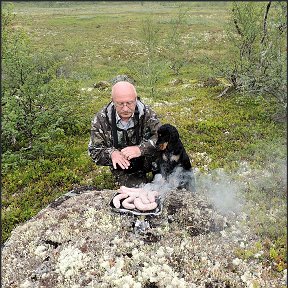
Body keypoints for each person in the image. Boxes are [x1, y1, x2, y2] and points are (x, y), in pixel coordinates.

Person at [88, 78, 161, 187]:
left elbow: (162, 139)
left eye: (130, 103)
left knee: (170, 179)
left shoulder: (147, 114)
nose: (125, 108)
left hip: (149, 159)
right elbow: (94, 150)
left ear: (136, 99)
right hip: (124, 167)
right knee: (135, 193)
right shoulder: (101, 119)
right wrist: (111, 154)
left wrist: (141, 149)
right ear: (113, 101)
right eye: (120, 104)